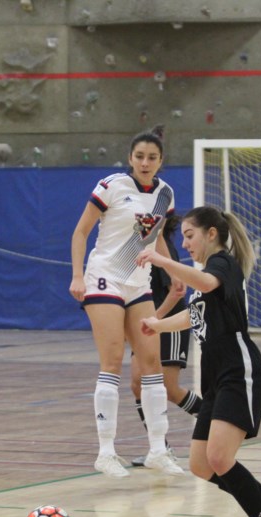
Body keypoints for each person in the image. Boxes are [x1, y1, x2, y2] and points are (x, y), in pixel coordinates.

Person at [137, 206, 261, 517]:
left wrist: (163, 261)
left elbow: (206, 284)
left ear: (212, 234)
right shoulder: (206, 274)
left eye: (190, 236)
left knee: (220, 458)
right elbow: (195, 316)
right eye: (182, 239)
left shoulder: (222, 264)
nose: (186, 244)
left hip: (239, 372)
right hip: (215, 378)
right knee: (200, 464)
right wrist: (158, 325)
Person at [69, 127, 184, 479]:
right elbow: (81, 232)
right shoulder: (111, 186)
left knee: (151, 363)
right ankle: (105, 452)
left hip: (139, 282)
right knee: (113, 358)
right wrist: (77, 275)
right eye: (139, 157)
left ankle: (157, 450)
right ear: (130, 158)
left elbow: (157, 237)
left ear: (161, 161)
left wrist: (174, 271)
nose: (145, 163)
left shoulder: (165, 193)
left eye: (152, 157)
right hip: (105, 275)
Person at [130, 214, 204, 467]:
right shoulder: (133, 249)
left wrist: (154, 322)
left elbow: (176, 293)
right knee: (137, 384)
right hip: (149, 325)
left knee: (170, 389)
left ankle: (214, 418)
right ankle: (159, 449)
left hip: (170, 321)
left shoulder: (162, 251)